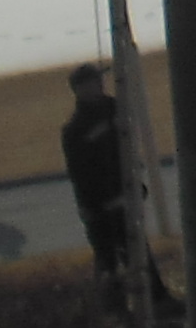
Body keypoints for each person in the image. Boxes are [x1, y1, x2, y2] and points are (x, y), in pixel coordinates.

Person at [59, 62, 168, 302]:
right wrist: (91, 206)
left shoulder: (116, 109)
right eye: (89, 83)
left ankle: (158, 300)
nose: (96, 86)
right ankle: (114, 309)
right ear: (78, 90)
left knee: (139, 252)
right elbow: (80, 174)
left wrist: (136, 183)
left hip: (125, 193)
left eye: (97, 81)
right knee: (108, 260)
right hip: (99, 205)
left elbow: (129, 151)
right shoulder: (74, 129)